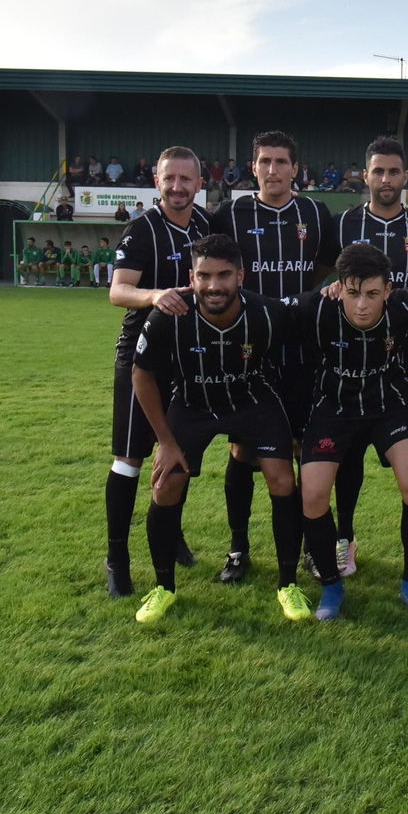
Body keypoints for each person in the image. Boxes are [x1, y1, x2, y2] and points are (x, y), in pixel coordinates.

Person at [128, 234, 307, 624]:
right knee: (166, 481)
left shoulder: (267, 314)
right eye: (204, 276)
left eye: (224, 275)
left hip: (253, 401)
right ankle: (163, 587)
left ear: (240, 275)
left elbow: (301, 352)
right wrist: (165, 443)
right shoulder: (168, 317)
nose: (214, 285)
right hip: (193, 404)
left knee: (282, 478)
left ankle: (288, 584)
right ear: (191, 277)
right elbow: (141, 376)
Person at [291, 244, 408, 620]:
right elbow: (258, 308)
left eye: (372, 294)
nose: (362, 305)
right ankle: (332, 587)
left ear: (389, 288)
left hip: (389, 405)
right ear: (339, 288)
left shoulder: (405, 306)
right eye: (352, 294)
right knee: (313, 495)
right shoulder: (314, 309)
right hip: (333, 408)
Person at [210, 131, 340, 583]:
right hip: (249, 348)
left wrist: (305, 304)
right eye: (264, 161)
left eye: (281, 162)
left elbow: (327, 267)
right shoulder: (230, 212)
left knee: (305, 449)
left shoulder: (314, 213)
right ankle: (238, 548)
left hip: (302, 349)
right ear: (253, 166)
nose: (272, 170)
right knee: (243, 448)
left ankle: (309, 544)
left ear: (295, 169)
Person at [325, 137, 408, 577]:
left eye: (394, 172)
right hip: (350, 365)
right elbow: (323, 275)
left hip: (405, 362)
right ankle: (344, 538)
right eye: (378, 171)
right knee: (349, 457)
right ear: (366, 174)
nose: (385, 179)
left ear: (405, 177)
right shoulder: (342, 225)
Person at [100, 147, 210, 596]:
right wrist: (155, 295)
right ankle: (117, 558)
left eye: (186, 179)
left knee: (179, 457)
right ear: (157, 181)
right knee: (130, 460)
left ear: (199, 184)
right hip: (142, 358)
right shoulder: (142, 228)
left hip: (189, 359)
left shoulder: (207, 227)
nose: (178, 187)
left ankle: (171, 535)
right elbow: (117, 291)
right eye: (170, 179)